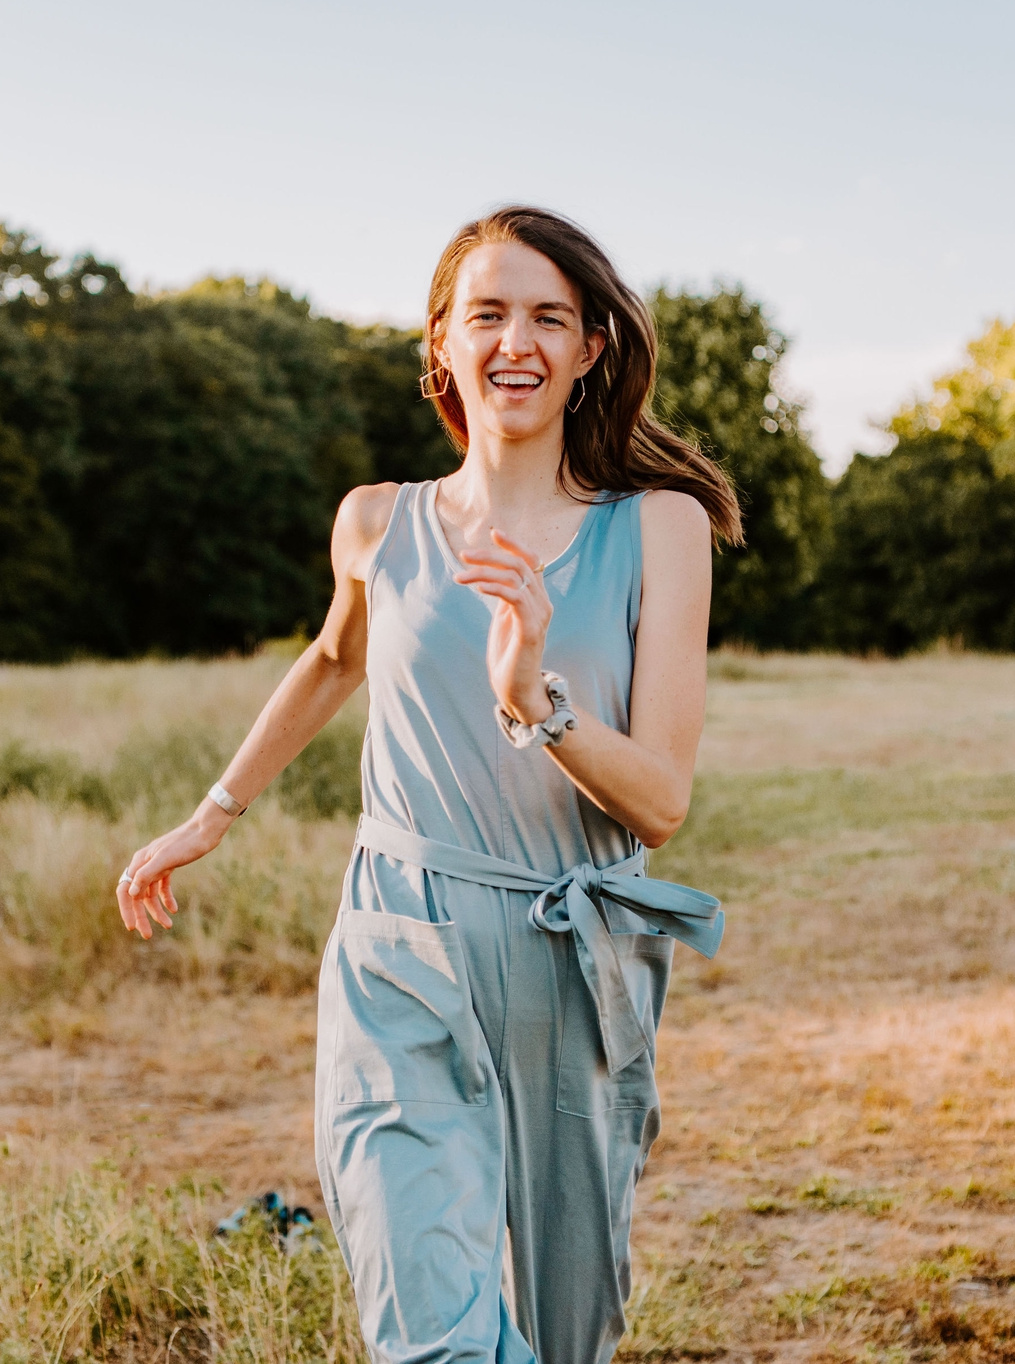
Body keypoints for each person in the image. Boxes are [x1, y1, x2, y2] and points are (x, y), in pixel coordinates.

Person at [116, 205, 743, 1363]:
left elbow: (658, 801)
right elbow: (333, 659)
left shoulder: (661, 527)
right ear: (441, 344)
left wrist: (534, 699)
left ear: (592, 348)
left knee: (565, 1328)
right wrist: (208, 816)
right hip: (399, 938)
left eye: (550, 316)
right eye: (487, 312)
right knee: (430, 1329)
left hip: (574, 949)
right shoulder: (375, 519)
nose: (517, 340)